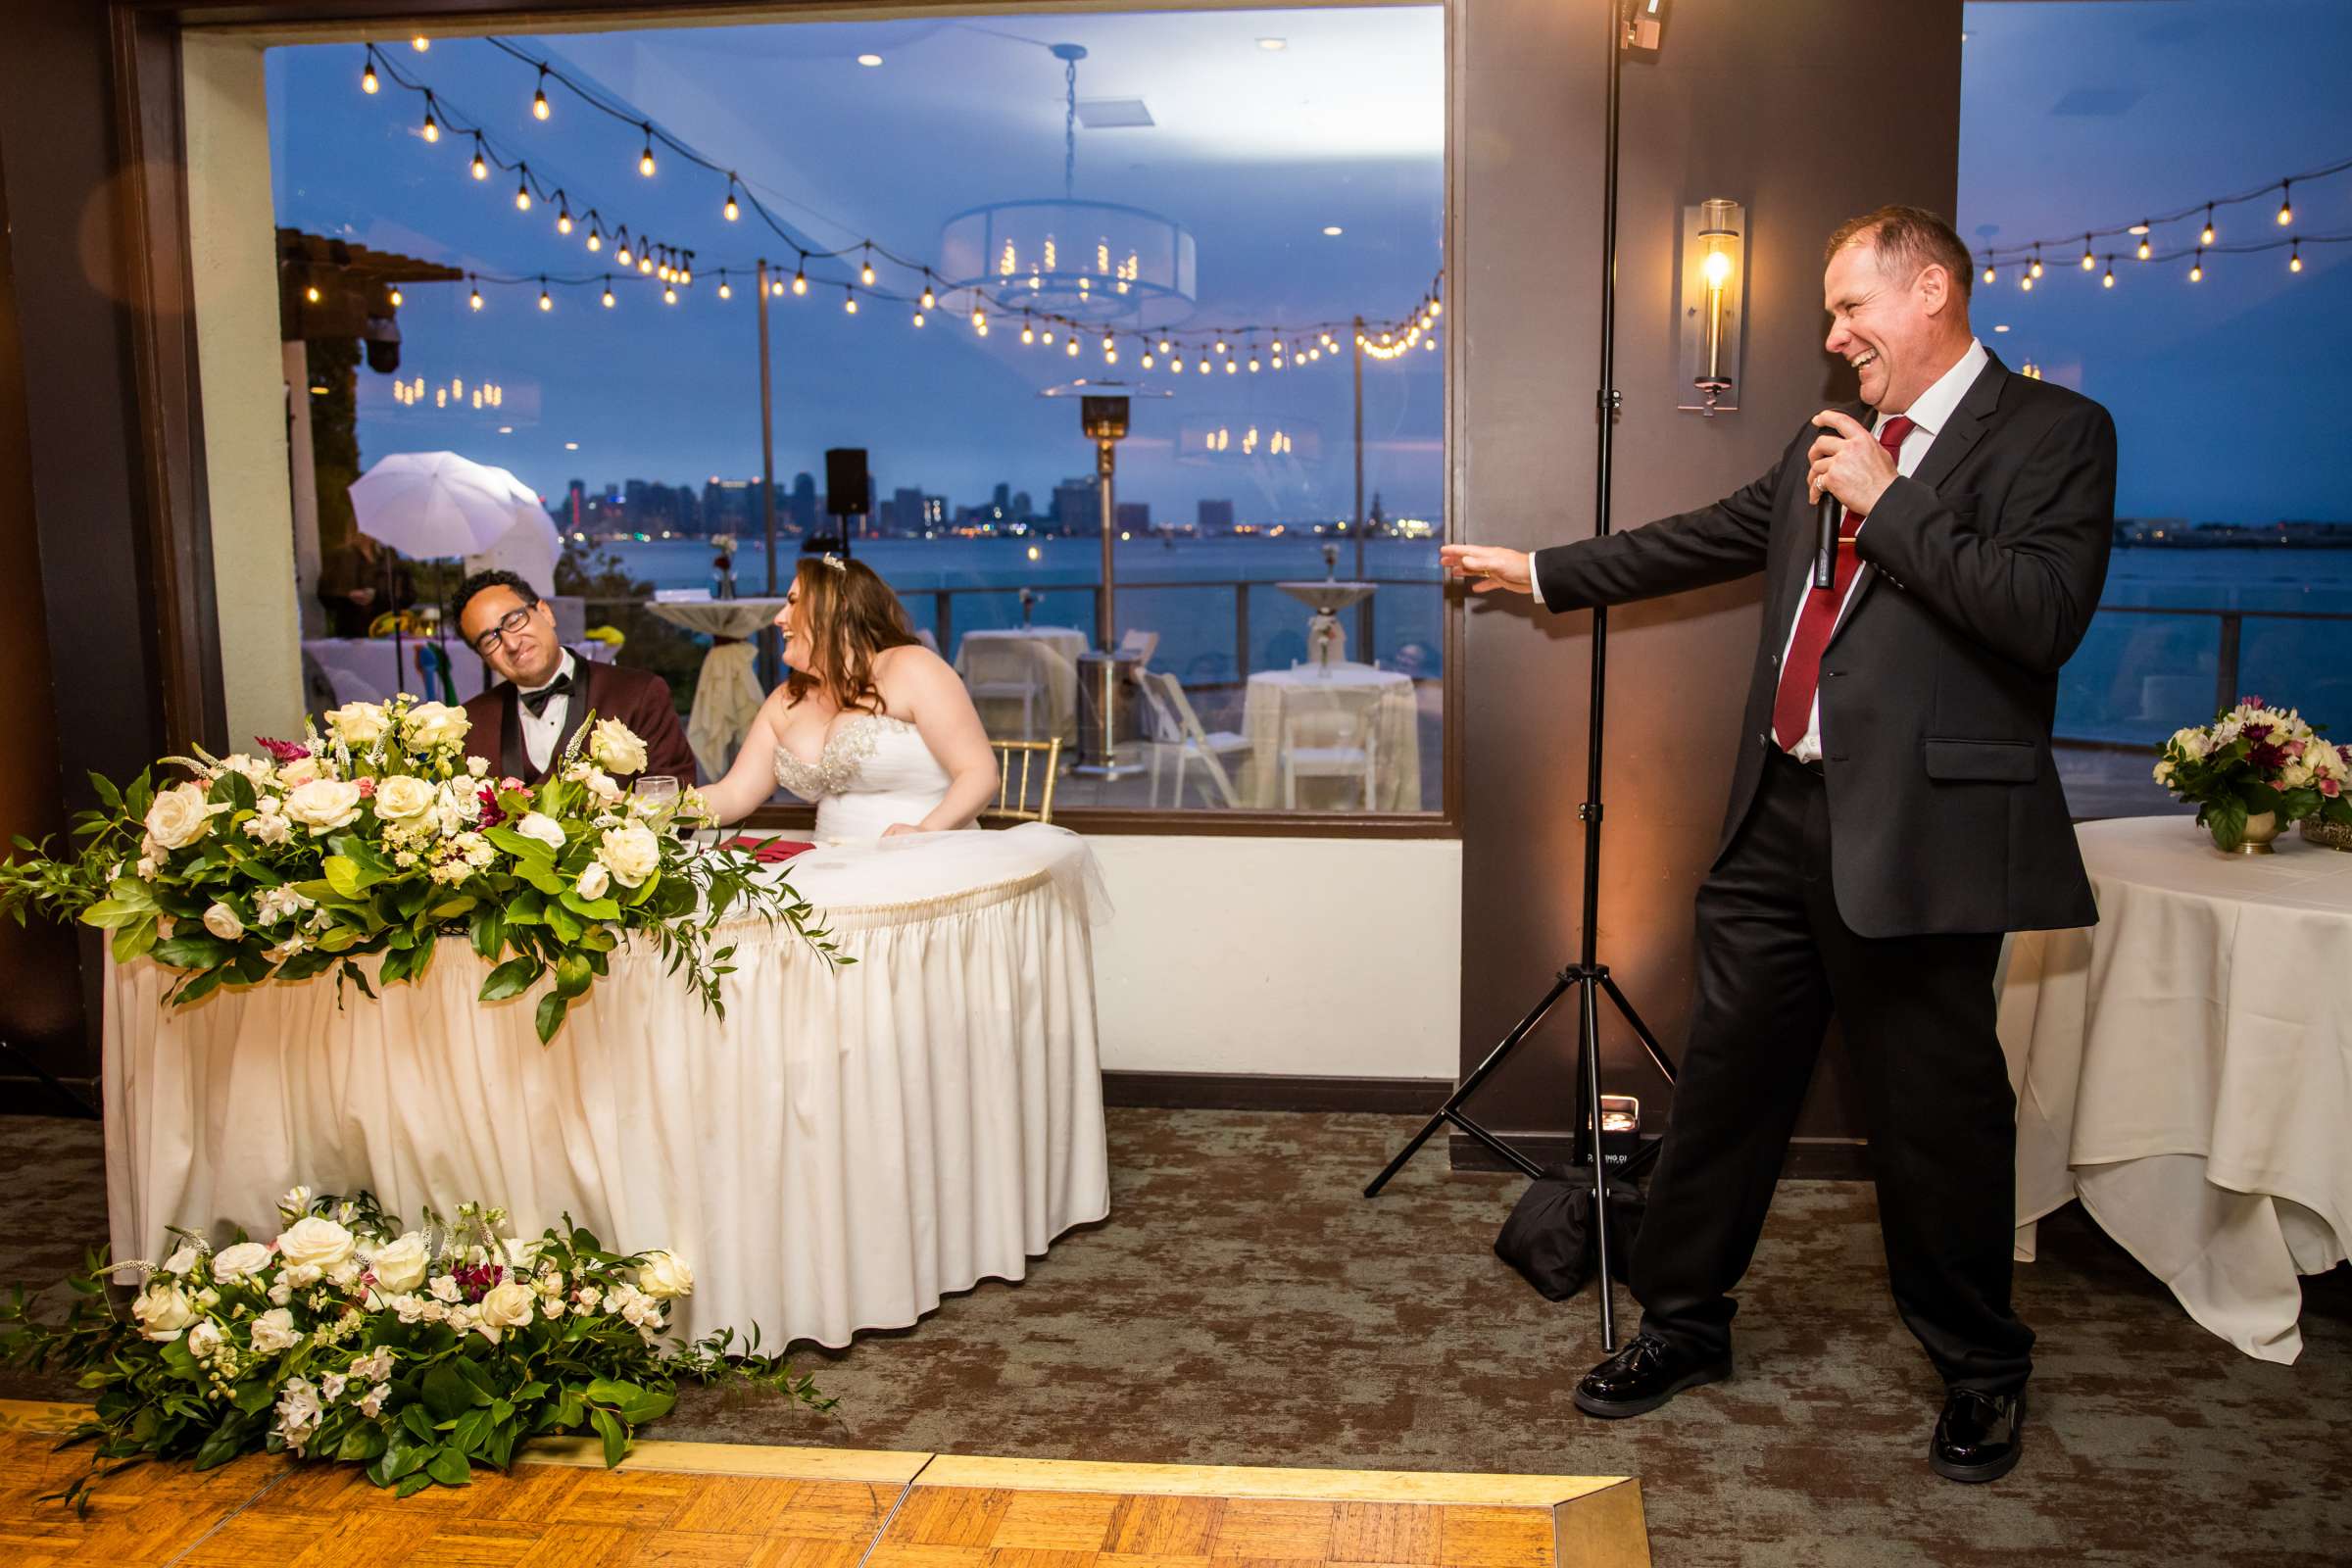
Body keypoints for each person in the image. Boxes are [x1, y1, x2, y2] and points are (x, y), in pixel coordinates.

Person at [1444, 206, 2116, 1485]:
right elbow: (1702, 537)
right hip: (1778, 819)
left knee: (1938, 1122)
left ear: (1931, 290)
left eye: (1852, 307)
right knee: (1731, 1091)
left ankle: (1980, 1370)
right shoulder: (1828, 444)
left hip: (1922, 840)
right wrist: (1540, 572)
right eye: (1828, 313)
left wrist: (1892, 501)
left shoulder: (2056, 435)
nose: (1834, 335)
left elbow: (2040, 618)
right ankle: (1684, 1326)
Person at [697, 554, 999, 840]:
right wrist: (664, 806)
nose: (778, 618)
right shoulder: (786, 701)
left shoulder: (911, 666)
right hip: (829, 866)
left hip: (931, 856)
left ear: (836, 608)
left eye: (793, 603)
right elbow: (734, 793)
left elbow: (980, 773)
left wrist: (924, 832)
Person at [451, 568, 696, 787]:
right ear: (482, 657)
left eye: (514, 620)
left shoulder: (638, 694)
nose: (512, 643)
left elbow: (676, 803)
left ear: (545, 612)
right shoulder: (471, 724)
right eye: (489, 639)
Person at [316, 531, 416, 639]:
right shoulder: (340, 556)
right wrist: (347, 596)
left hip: (386, 633)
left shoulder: (390, 558)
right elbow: (326, 593)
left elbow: (408, 595)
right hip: (351, 634)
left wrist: (377, 596)